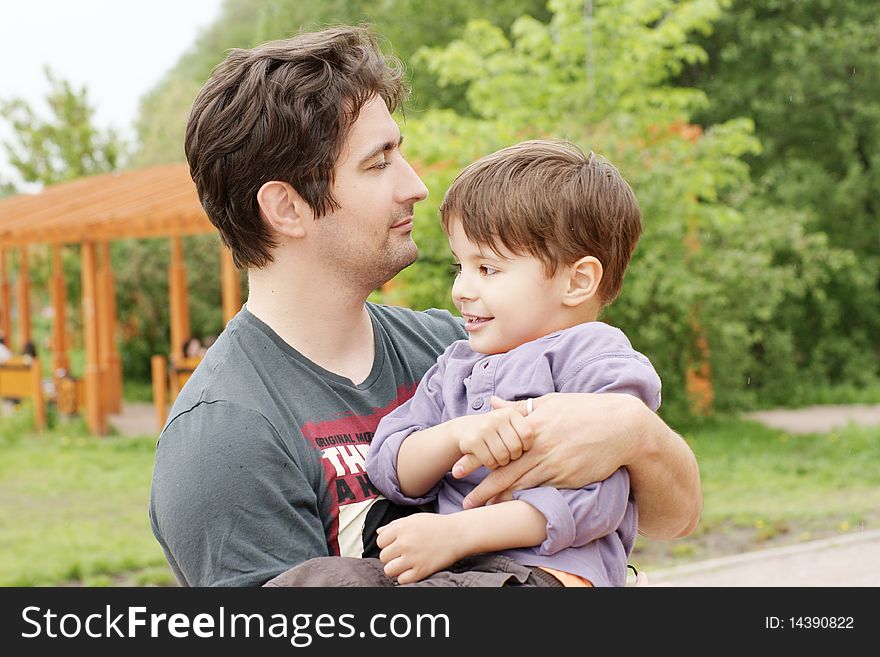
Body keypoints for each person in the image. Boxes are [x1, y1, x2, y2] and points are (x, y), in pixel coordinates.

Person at [149, 26, 701, 588]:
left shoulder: (454, 347)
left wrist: (635, 431)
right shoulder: (225, 435)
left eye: (400, 153)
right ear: (287, 208)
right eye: (379, 162)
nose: (414, 185)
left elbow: (672, 519)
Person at [267, 140, 658, 588]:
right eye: (460, 266)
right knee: (324, 580)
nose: (461, 290)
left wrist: (457, 534)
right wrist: (457, 435)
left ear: (577, 280)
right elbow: (391, 466)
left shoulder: (596, 361)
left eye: (487, 269)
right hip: (460, 566)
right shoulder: (460, 362)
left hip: (545, 574)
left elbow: (598, 501)